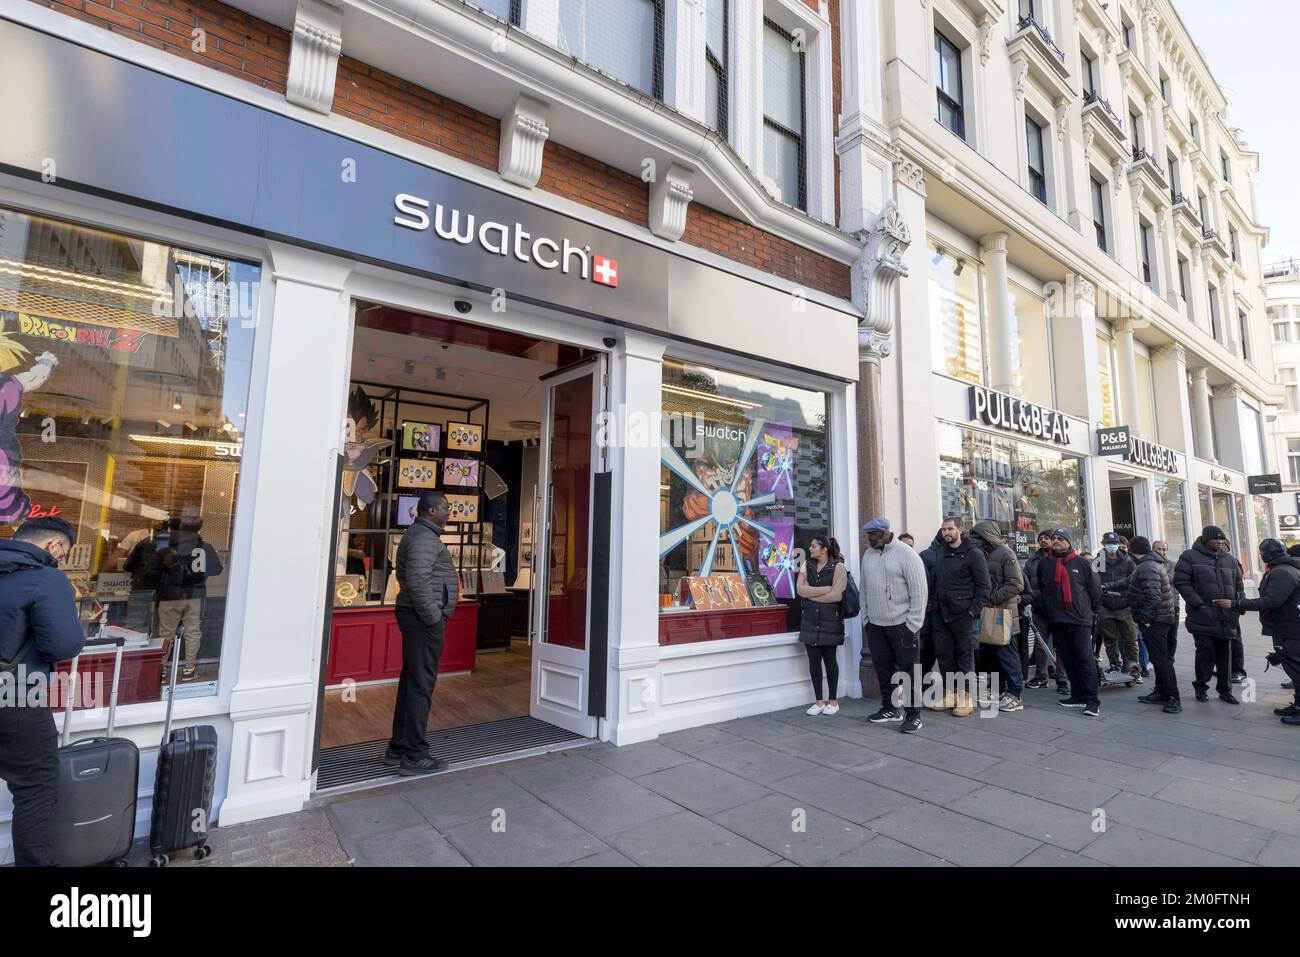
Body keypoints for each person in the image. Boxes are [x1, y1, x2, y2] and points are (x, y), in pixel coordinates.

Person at [0, 516, 87, 866]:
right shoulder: (46, 579)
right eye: (62, 553)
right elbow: (64, 644)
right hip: (16, 696)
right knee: (35, 787)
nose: (61, 560)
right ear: (53, 545)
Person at [386, 491, 459, 774]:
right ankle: (415, 755)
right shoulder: (423, 539)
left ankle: (398, 747)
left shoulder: (421, 535)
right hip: (421, 620)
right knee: (420, 686)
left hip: (418, 619)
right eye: (445, 508)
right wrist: (434, 618)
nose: (448, 513)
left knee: (412, 682)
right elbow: (415, 582)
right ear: (430, 510)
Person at [859, 517, 928, 734]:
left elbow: (919, 592)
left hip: (902, 625)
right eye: (867, 536)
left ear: (884, 533)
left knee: (909, 671)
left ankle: (914, 714)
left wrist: (913, 625)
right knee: (883, 668)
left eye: (872, 535)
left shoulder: (907, 555)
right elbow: (863, 589)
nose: (868, 539)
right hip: (876, 625)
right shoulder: (868, 555)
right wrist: (866, 620)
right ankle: (890, 708)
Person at [1222, 539, 1300, 725]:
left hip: (1289, 628)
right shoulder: (1285, 569)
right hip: (1288, 626)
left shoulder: (1282, 572)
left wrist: (1237, 603)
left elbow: (1271, 601)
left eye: (1261, 552)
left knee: (1296, 670)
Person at [927, 516, 990, 717]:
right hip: (941, 614)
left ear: (960, 530)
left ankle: (966, 698)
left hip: (964, 615)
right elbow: (935, 581)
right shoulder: (941, 553)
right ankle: (951, 694)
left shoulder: (974, 554)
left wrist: (972, 611)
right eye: (944, 529)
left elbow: (984, 587)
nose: (947, 533)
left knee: (965, 656)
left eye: (950, 529)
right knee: (944, 655)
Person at [1035, 528, 1103, 717]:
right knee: (1067, 659)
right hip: (1057, 619)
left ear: (1069, 542)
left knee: (1084, 659)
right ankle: (1077, 695)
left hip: (1079, 619)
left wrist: (1092, 613)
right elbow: (1043, 588)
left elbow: (1095, 592)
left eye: (1060, 538)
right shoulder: (1044, 564)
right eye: (1053, 538)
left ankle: (1092, 701)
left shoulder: (1083, 563)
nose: (1056, 541)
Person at [1173, 525, 1243, 705]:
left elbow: (1239, 585)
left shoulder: (1230, 559)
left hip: (1226, 616)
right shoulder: (1189, 556)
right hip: (1202, 615)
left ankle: (1225, 690)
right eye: (1216, 539)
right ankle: (1201, 687)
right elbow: (1181, 582)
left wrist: (1238, 605)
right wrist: (1199, 603)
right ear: (1205, 540)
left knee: (1225, 654)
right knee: (1204, 653)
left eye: (1222, 539)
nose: (1220, 542)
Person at [970, 521, 1024, 712]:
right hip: (988, 612)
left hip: (1002, 613)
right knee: (990, 654)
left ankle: (1015, 693)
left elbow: (1016, 584)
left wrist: (991, 598)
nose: (974, 540)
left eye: (978, 536)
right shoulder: (981, 554)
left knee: (1007, 653)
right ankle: (999, 690)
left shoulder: (1006, 553)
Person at [1127, 536, 1181, 714]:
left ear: (1133, 550)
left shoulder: (1148, 566)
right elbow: (1130, 583)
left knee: (1161, 660)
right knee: (1159, 659)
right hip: (1160, 618)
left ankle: (1173, 697)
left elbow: (1153, 597)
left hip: (1155, 620)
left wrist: (1145, 618)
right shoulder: (1150, 564)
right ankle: (1160, 691)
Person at [797, 535, 847, 716]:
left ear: (824, 548)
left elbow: (837, 596)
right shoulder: (806, 565)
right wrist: (825, 590)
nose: (810, 549)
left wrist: (811, 595)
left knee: (830, 661)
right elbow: (800, 590)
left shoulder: (838, 567)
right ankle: (818, 701)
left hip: (830, 622)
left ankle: (833, 701)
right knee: (814, 662)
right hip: (809, 622)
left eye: (813, 546)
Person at [1022, 531, 1066, 693]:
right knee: (1040, 643)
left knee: (1061, 644)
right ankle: (1041, 676)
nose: (1043, 541)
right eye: (1040, 539)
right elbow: (1024, 580)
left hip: (1059, 608)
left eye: (1046, 538)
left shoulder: (1061, 559)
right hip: (1039, 607)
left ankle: (1062, 676)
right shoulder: (1032, 560)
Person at [1094, 531, 1140, 680]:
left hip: (1125, 606)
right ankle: (1114, 664)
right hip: (1106, 606)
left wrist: (1127, 597)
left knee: (1130, 639)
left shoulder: (1128, 561)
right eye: (1108, 543)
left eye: (1113, 543)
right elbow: (1093, 581)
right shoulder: (1098, 560)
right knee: (1109, 638)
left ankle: (1134, 667)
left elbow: (1134, 582)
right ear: (1103, 545)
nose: (1111, 546)